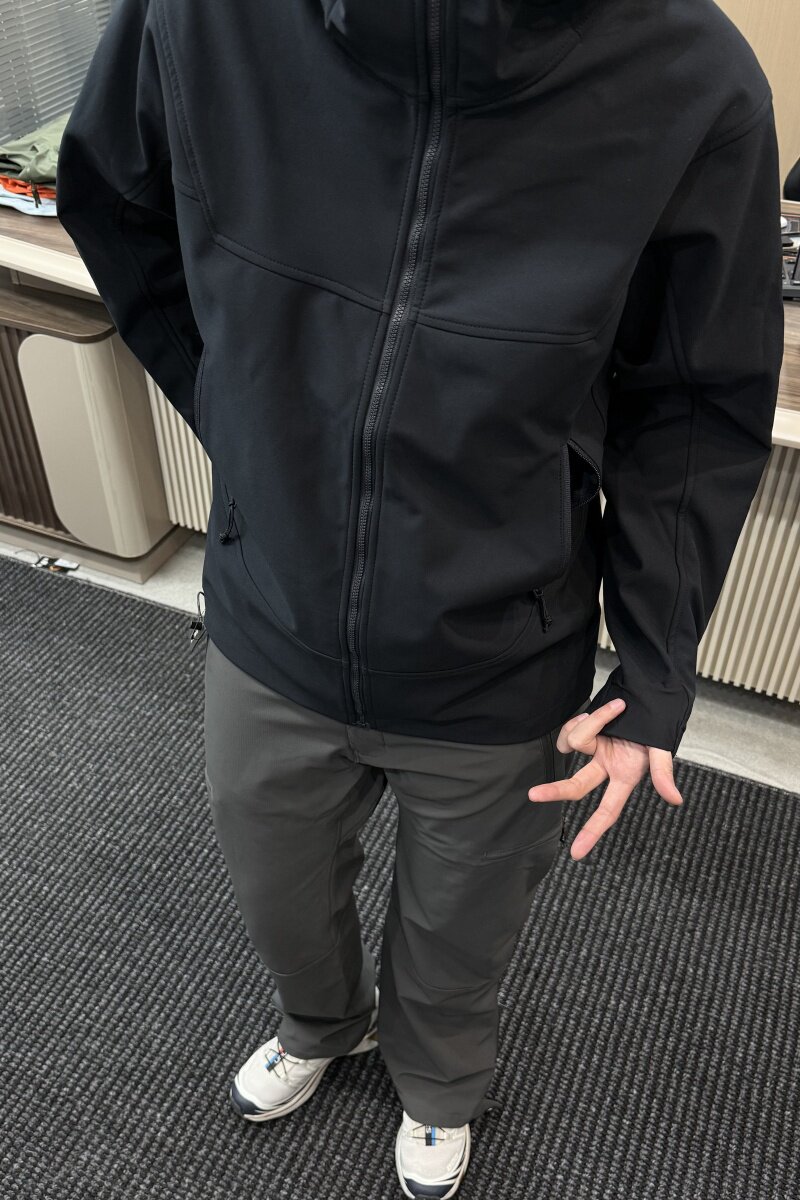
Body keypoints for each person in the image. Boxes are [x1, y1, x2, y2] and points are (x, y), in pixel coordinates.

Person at [55, 1, 785, 1195]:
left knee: (460, 928)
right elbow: (114, 199)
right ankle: (321, 1023)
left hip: (500, 647)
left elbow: (693, 404)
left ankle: (440, 1085)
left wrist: (654, 672)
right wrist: (246, 429)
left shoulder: (690, 78)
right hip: (272, 614)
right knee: (278, 891)